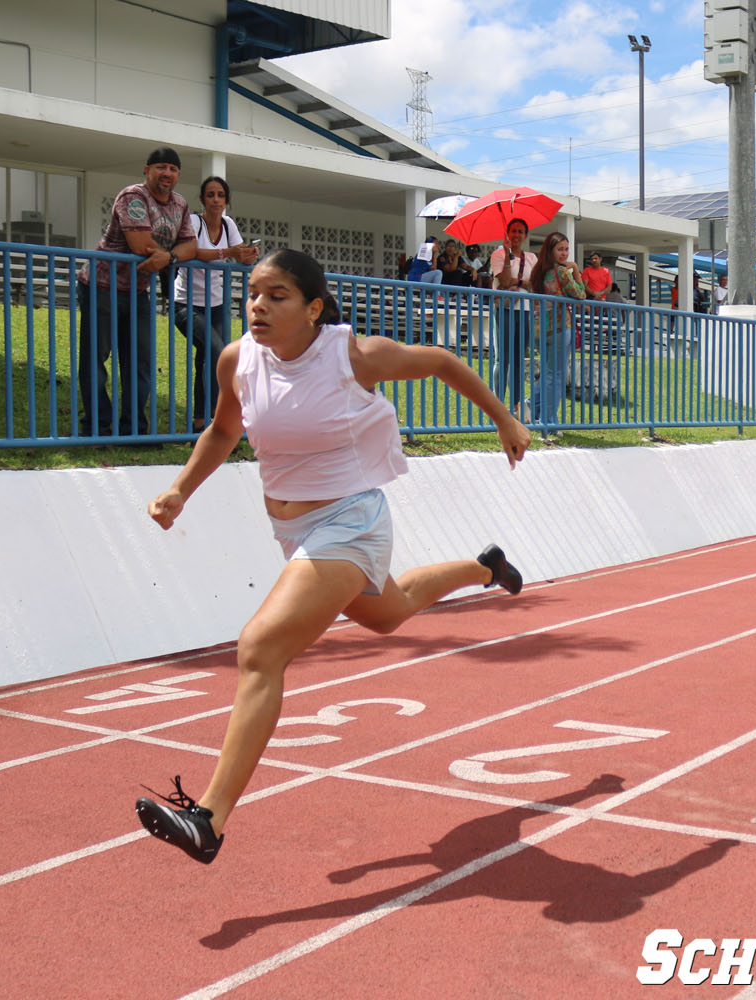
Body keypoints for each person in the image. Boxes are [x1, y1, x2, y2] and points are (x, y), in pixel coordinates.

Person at [136, 249, 532, 863]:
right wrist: (180, 489)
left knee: (261, 647)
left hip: (351, 520)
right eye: (253, 294)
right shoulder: (238, 359)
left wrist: (504, 420)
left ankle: (208, 818)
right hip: (293, 531)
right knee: (389, 611)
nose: (259, 306)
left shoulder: (352, 355)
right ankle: (485, 567)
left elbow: (443, 362)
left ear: (313, 307)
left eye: (277, 296)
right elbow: (223, 430)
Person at [79, 146, 197, 437]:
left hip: (138, 290)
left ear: (178, 175)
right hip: (102, 286)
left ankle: (134, 428)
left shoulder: (180, 204)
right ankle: (98, 426)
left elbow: (190, 246)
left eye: (172, 169)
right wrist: (171, 254)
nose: (166, 173)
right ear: (147, 171)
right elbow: (140, 245)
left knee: (140, 361)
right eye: (160, 167)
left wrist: (169, 258)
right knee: (96, 358)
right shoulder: (133, 196)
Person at [172, 176, 259, 431]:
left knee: (207, 359)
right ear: (202, 199)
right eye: (210, 195)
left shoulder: (228, 223)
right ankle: (219, 417)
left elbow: (240, 255)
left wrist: (248, 256)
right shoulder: (193, 222)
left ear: (227, 200)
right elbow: (191, 252)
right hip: (187, 303)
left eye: (221, 195)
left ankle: (201, 423)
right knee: (220, 352)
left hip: (217, 303)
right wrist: (228, 253)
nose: (216, 200)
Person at [527, 231, 586, 428]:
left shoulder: (538, 270)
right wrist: (576, 269)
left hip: (539, 330)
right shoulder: (561, 271)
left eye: (566, 249)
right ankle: (548, 420)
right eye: (560, 249)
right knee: (557, 375)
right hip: (560, 328)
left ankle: (532, 407)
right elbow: (580, 293)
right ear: (550, 251)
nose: (564, 253)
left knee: (548, 373)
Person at [489, 218, 537, 416]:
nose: (516, 235)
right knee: (503, 359)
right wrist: (508, 256)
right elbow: (506, 280)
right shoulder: (498, 255)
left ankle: (516, 405)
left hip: (524, 310)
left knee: (518, 359)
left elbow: (535, 284)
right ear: (507, 234)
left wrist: (522, 283)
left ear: (525, 235)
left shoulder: (532, 258)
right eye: (513, 231)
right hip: (505, 310)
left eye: (520, 231)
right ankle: (497, 406)